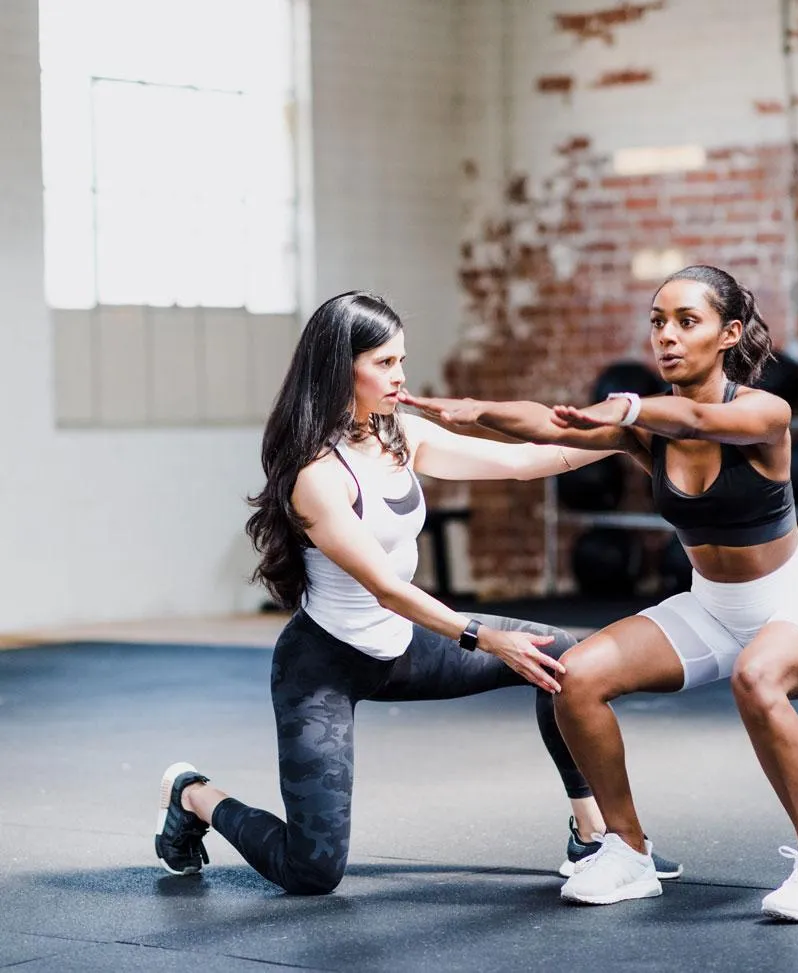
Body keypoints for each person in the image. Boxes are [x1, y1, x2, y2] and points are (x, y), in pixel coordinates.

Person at [153, 290, 681, 895]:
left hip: (401, 648)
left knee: (561, 657)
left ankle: (592, 835)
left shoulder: (398, 433)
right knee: (312, 871)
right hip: (324, 665)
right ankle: (193, 796)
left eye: (401, 360)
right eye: (383, 363)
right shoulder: (316, 475)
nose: (400, 376)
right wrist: (486, 637)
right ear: (339, 368)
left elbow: (520, 462)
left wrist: (625, 434)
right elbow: (384, 588)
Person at [400, 264, 798, 922]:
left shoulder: (766, 412)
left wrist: (626, 406)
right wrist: (475, 410)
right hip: (713, 607)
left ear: (729, 333)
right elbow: (548, 425)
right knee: (575, 677)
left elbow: (700, 419)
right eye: (657, 322)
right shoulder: (644, 430)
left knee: (758, 678)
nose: (667, 336)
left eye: (687, 321)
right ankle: (627, 849)